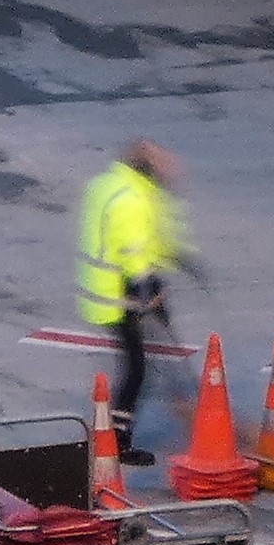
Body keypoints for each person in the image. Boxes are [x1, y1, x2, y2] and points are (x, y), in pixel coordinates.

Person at [74, 139, 194, 460]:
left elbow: (144, 237)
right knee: (136, 368)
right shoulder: (132, 199)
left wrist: (174, 256)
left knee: (137, 363)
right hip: (117, 295)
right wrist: (151, 289)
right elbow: (131, 251)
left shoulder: (110, 184)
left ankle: (115, 434)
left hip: (100, 288)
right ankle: (118, 442)